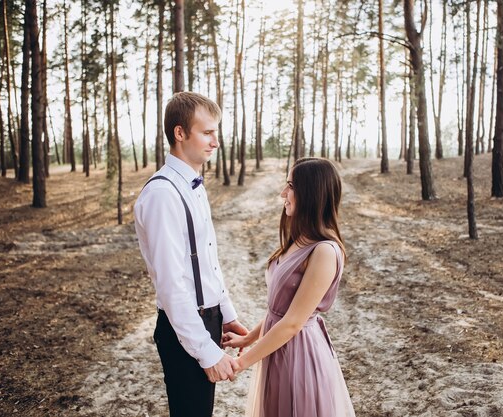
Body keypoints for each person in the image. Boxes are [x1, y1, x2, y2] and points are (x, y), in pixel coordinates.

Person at [134, 92, 248, 417]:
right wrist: (206, 351)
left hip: (206, 318)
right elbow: (171, 286)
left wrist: (225, 313)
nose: (216, 142)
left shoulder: (193, 185)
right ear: (180, 133)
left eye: (216, 132)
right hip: (183, 325)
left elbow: (206, 261)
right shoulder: (162, 194)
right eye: (207, 132)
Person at [223, 157, 356, 417]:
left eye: (290, 186)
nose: (283, 193)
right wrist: (248, 338)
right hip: (278, 350)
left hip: (299, 357)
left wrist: (240, 363)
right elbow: (280, 310)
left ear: (311, 193)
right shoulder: (298, 241)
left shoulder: (324, 251)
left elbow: (293, 322)